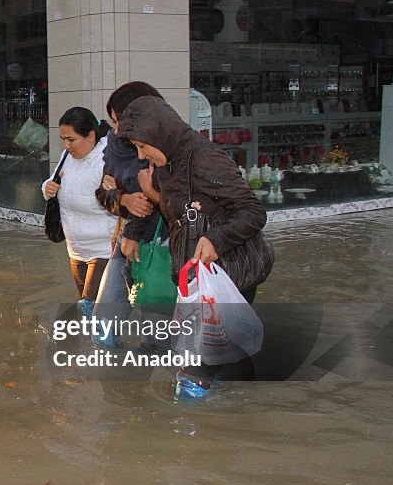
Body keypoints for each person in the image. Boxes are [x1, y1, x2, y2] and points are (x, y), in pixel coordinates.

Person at [116, 95, 268, 399]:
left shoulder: (204, 159)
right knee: (206, 361)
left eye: (143, 146)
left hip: (230, 277)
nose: (142, 156)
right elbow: (162, 206)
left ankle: (188, 438)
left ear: (160, 133)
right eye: (136, 149)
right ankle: (231, 418)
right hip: (196, 281)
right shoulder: (167, 163)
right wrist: (133, 232)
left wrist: (216, 239)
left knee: (193, 374)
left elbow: (253, 212)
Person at [92, 82, 163, 346]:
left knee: (157, 336)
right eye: (113, 122)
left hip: (163, 244)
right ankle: (113, 382)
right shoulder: (114, 144)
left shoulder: (167, 145)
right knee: (103, 326)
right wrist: (124, 198)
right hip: (125, 244)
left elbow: (159, 198)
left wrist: (138, 202)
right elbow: (103, 191)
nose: (117, 129)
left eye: (121, 121)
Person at [42, 107, 118, 316]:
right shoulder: (67, 155)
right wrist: (48, 187)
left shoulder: (107, 158)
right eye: (63, 139)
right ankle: (96, 344)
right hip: (76, 248)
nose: (66, 145)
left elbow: (120, 201)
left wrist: (115, 190)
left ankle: (103, 346)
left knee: (89, 305)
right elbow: (55, 181)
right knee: (88, 308)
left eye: (71, 139)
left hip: (103, 248)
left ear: (91, 135)